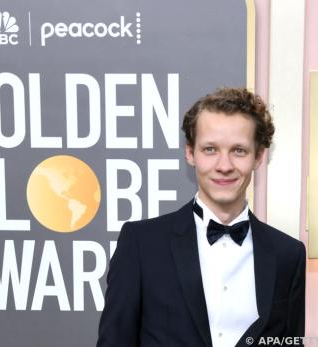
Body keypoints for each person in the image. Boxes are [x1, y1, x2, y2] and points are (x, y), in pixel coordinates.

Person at [97, 87, 306, 347]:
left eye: (238, 150)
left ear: (259, 157)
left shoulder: (288, 255)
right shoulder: (142, 244)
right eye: (210, 149)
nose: (224, 165)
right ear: (190, 153)